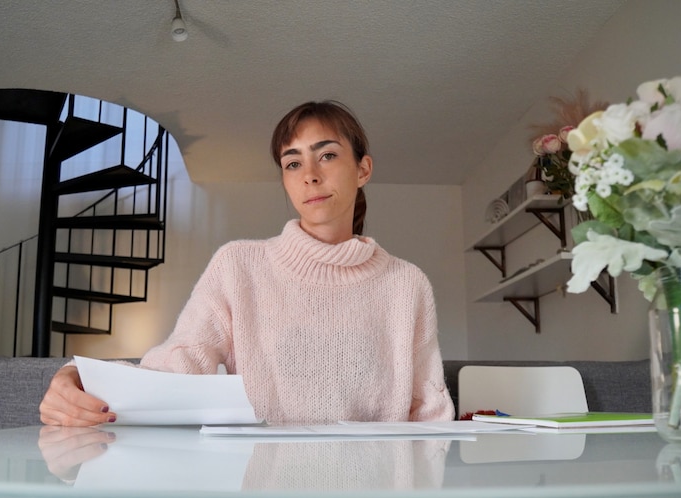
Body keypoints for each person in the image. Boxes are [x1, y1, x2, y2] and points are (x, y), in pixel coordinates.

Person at [40, 100, 454, 426]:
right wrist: (77, 379)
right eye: (292, 163)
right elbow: (178, 364)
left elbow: (429, 414)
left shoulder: (407, 284)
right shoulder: (239, 266)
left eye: (326, 156)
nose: (309, 174)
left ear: (363, 169)